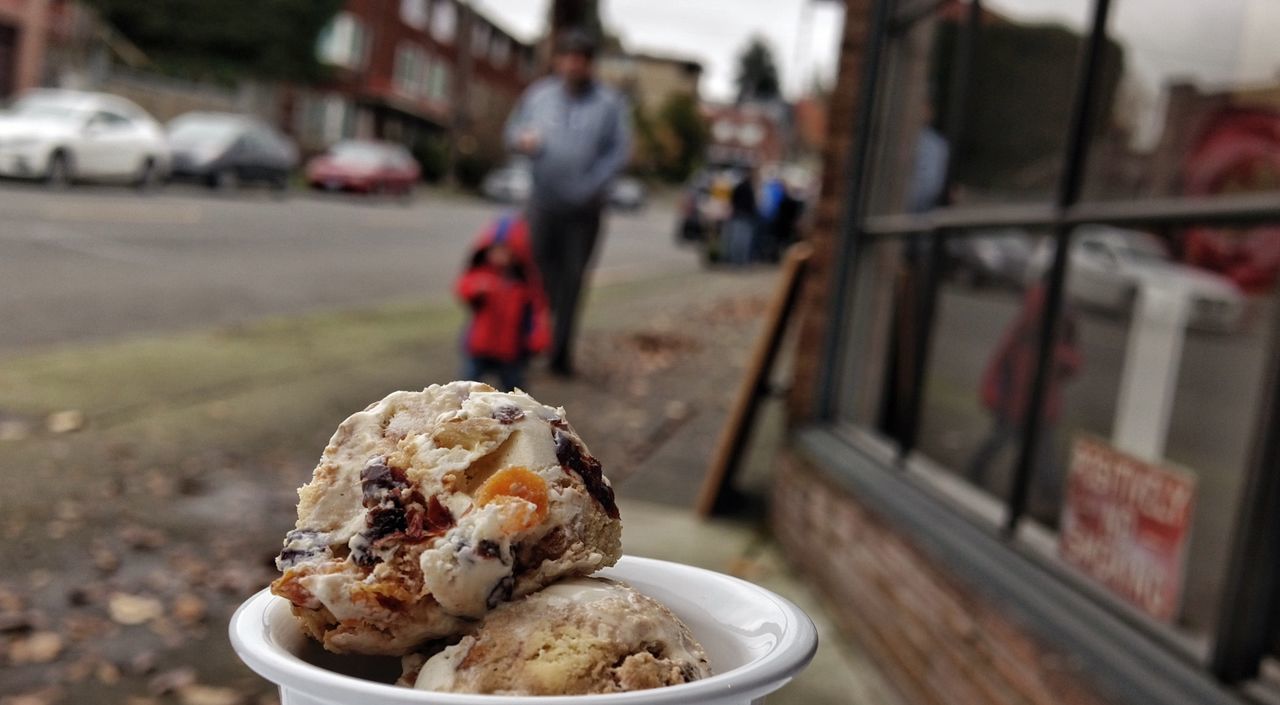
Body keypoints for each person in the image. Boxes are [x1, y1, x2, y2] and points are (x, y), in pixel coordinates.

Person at [504, 28, 631, 377]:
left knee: (572, 282)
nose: (575, 64)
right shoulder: (539, 96)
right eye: (569, 57)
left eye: (582, 59)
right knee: (538, 277)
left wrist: (592, 186)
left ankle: (560, 355)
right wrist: (521, 140)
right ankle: (532, 343)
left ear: (590, 64)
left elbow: (618, 152)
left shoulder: (609, 104)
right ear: (559, 61)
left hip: (584, 211)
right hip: (543, 205)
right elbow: (511, 132)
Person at [967, 283, 1082, 512]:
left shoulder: (1058, 333)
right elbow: (1002, 363)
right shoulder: (1026, 332)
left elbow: (1073, 365)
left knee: (1041, 456)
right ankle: (976, 470)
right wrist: (995, 394)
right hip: (1014, 405)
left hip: (1038, 408)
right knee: (1003, 441)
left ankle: (1050, 499)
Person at [456, 214, 550, 392]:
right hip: (479, 346)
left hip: (510, 349)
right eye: (496, 250)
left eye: (506, 250)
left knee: (513, 391)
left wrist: (538, 338)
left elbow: (537, 312)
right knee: (465, 389)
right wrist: (478, 288)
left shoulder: (524, 282)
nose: (500, 255)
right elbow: (463, 289)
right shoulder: (481, 273)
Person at [725, 169, 758, 265]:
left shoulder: (738, 187)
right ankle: (741, 260)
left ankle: (735, 260)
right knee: (743, 239)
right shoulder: (749, 188)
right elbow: (752, 204)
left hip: (738, 215)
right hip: (745, 216)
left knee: (736, 239)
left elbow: (732, 200)